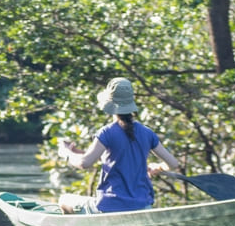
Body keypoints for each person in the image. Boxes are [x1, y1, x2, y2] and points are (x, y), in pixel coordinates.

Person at [57, 77, 182, 214]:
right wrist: (158, 167)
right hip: (143, 207)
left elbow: (84, 163)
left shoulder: (106, 132)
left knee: (64, 199)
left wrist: (67, 153)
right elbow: (173, 163)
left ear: (109, 105)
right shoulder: (146, 132)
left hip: (110, 207)